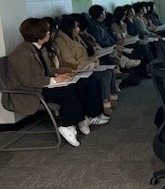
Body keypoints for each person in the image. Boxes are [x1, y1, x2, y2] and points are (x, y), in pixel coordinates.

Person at [6, 18, 109, 147]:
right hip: (29, 91)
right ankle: (68, 126)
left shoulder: (40, 49)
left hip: (41, 85)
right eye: (46, 31)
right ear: (38, 34)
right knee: (67, 91)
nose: (49, 33)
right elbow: (27, 81)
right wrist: (54, 80)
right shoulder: (21, 53)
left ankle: (87, 116)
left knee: (85, 81)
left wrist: (68, 72)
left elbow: (48, 70)